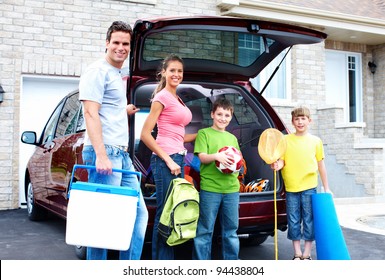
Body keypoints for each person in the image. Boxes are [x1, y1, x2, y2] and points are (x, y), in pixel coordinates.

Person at [79, 21, 148, 260]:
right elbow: (90, 112)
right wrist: (101, 155)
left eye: (125, 44)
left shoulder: (115, 74)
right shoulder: (97, 70)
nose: (121, 47)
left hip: (121, 154)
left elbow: (106, 109)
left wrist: (123, 110)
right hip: (105, 152)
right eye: (116, 42)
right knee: (103, 224)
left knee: (138, 214)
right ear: (106, 43)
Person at [140, 54, 196, 259]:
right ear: (163, 72)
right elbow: (145, 134)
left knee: (172, 212)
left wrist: (203, 134)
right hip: (166, 160)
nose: (176, 74)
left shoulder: (176, 98)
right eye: (172, 70)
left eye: (179, 71)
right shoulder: (162, 97)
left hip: (177, 156)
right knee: (166, 213)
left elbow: (179, 135)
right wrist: (169, 160)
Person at [270, 106, 332, 260]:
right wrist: (278, 164)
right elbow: (282, 160)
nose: (300, 121)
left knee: (309, 220)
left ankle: (307, 253)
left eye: (303, 118)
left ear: (309, 121)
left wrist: (327, 187)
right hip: (291, 188)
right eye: (297, 119)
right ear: (292, 122)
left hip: (309, 187)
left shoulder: (315, 141)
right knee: (293, 219)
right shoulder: (285, 140)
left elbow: (321, 165)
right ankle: (297, 253)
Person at [192, 98, 241, 260]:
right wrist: (217, 156)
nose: (223, 118)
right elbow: (203, 157)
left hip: (231, 189)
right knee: (205, 230)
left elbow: (238, 159)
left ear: (231, 117)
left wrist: (237, 166)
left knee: (231, 231)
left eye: (227, 115)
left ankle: (231, 264)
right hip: (210, 189)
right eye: (219, 114)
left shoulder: (232, 138)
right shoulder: (204, 134)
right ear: (212, 114)